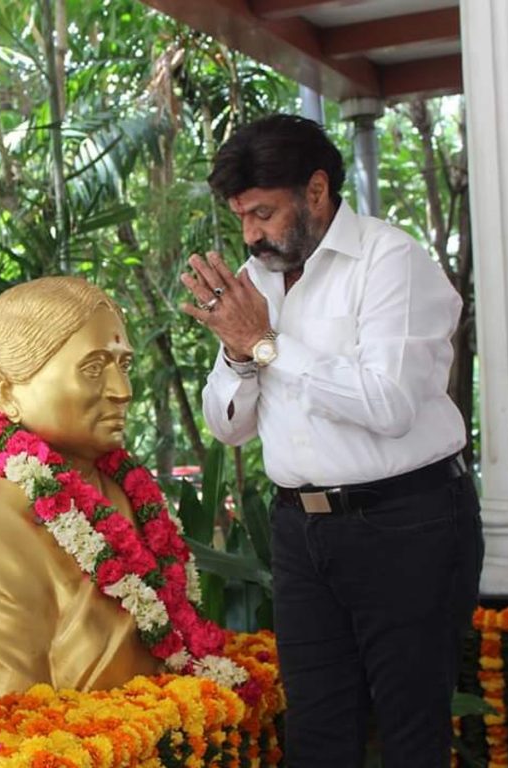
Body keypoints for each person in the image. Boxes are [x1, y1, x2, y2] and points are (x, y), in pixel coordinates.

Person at [180, 114, 483, 767]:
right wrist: (238, 356)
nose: (251, 234)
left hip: (408, 523)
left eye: (262, 212)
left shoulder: (390, 261)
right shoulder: (255, 279)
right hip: (298, 533)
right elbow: (228, 426)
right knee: (316, 734)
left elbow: (389, 404)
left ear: (316, 192)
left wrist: (265, 345)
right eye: (240, 218)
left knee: (410, 734)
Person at [0, 276, 161, 704]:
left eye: (124, 365)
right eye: (94, 367)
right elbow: (2, 735)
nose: (123, 392)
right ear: (6, 393)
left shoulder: (132, 500)